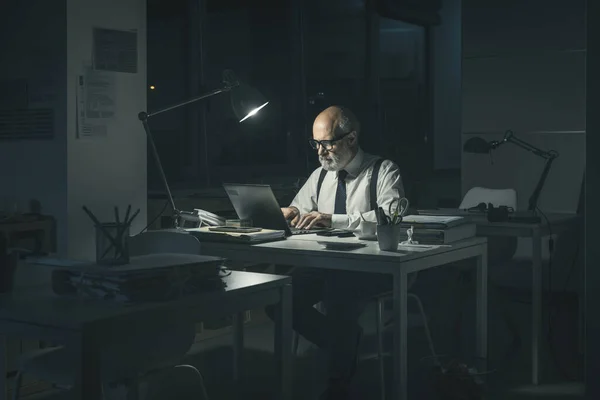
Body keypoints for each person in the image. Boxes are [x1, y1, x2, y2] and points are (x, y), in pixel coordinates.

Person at [268, 106, 405, 399]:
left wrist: (334, 219)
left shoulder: (383, 170)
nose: (320, 151)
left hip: (373, 267)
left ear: (352, 138)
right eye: (315, 144)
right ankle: (342, 341)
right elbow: (301, 206)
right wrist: (290, 211)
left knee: (338, 294)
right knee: (278, 297)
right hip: (326, 263)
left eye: (327, 143)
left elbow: (391, 218)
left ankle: (338, 383)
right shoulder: (320, 175)